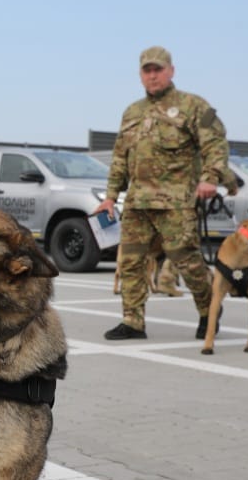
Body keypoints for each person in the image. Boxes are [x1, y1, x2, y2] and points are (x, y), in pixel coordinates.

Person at [91, 45, 232, 341]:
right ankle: (132, 321)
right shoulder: (132, 112)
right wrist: (109, 196)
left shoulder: (194, 106)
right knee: (130, 262)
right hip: (137, 202)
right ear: (141, 75)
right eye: (147, 70)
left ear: (171, 71)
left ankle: (209, 311)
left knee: (187, 261)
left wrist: (210, 178)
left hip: (176, 202)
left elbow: (215, 143)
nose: (153, 76)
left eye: (158, 69)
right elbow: (119, 158)